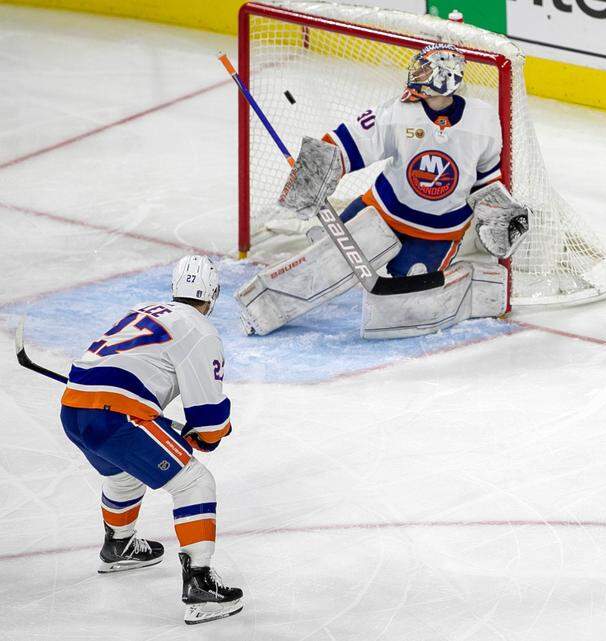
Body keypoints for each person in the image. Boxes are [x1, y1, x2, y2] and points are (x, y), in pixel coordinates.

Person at [236, 43, 529, 339]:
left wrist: (498, 215)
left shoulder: (483, 120)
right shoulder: (398, 112)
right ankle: (266, 305)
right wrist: (317, 165)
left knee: (411, 288)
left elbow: (487, 179)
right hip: (380, 212)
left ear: (445, 79)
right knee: (326, 259)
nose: (416, 75)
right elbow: (352, 139)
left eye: (425, 70)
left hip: (438, 232)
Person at [59, 255, 243, 625]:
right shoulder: (201, 330)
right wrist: (215, 430)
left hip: (73, 405)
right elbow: (207, 428)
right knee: (195, 483)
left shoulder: (143, 309)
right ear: (213, 295)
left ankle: (119, 544)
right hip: (116, 416)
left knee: (124, 473)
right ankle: (200, 585)